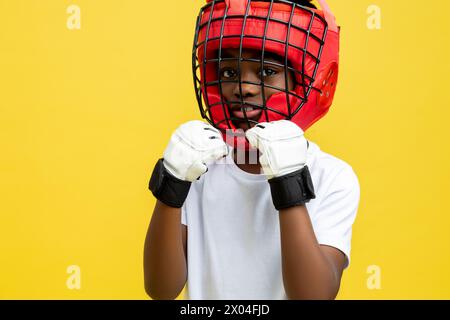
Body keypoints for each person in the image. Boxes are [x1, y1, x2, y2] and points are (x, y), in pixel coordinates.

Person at [144, 0, 360, 300]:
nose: (243, 87)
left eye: (267, 71)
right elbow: (160, 289)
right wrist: (172, 182)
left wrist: (289, 179)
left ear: (304, 82)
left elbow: (313, 296)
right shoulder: (197, 164)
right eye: (229, 72)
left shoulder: (331, 176)